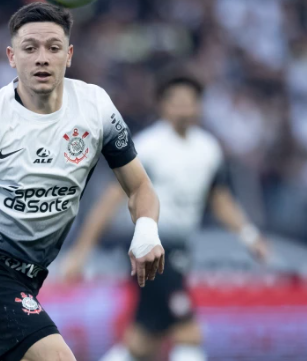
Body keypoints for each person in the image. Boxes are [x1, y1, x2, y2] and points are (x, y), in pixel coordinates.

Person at [0, 2, 166, 361]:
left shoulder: (95, 108)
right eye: (30, 48)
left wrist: (147, 231)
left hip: (29, 276)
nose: (42, 57)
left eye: (53, 47)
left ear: (69, 55)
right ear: (12, 56)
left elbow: (140, 188)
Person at [60, 73, 270, 361]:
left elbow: (219, 199)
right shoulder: (146, 148)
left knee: (143, 341)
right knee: (189, 331)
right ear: (163, 105)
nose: (184, 108)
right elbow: (109, 201)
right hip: (149, 248)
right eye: (177, 101)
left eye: (190, 101)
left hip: (181, 248)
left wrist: (249, 235)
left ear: (199, 106)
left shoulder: (208, 149)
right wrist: (81, 251)